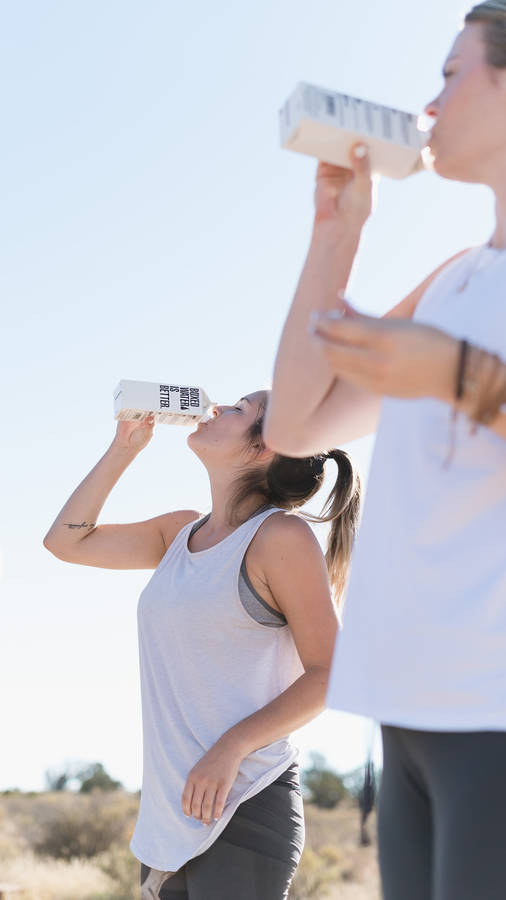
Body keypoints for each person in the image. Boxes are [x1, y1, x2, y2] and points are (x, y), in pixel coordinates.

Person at [264, 3, 506, 898]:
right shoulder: (453, 280)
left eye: (451, 74)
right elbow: (295, 425)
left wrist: (461, 376)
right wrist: (337, 233)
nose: (430, 103)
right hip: (406, 710)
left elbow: (463, 380)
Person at [43, 389, 360, 900]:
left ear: (262, 450)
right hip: (167, 821)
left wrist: (231, 747)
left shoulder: (280, 538)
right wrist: (125, 447)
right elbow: (65, 542)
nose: (215, 408)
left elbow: (330, 672)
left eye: (238, 410)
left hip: (244, 806)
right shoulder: (177, 534)